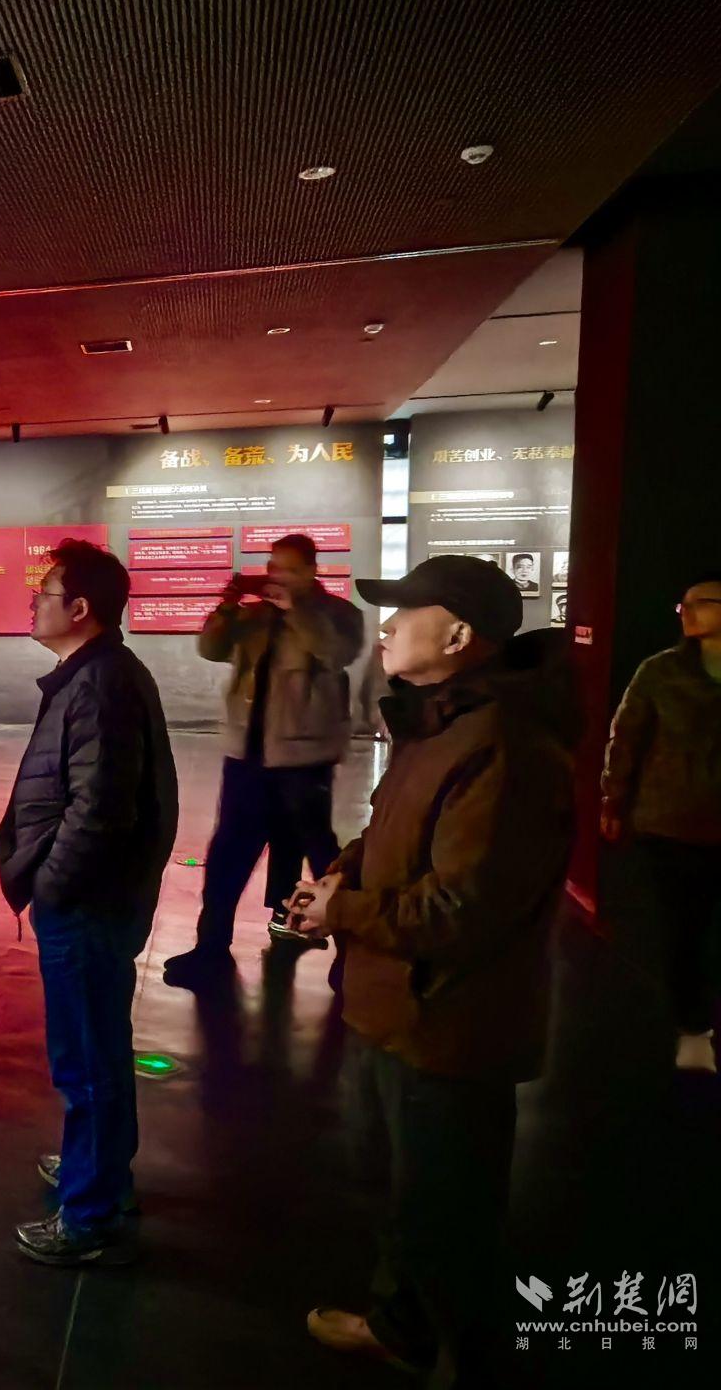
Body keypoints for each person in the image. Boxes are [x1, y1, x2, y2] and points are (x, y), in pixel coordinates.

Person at [285, 556, 576, 1385]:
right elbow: (397, 836)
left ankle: (442, 1350)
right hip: (400, 1009)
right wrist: (345, 872)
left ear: (457, 636)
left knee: (443, 1210)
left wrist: (344, 912)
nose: (385, 627)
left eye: (405, 612)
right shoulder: (443, 723)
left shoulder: (504, 747)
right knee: (407, 1198)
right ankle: (401, 1324)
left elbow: (461, 912)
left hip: (447, 1024)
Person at [0, 540, 178, 1267]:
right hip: (93, 898)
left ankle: (91, 1210)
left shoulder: (100, 684)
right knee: (93, 1046)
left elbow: (99, 809)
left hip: (87, 903)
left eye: (44, 593)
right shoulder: (96, 674)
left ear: (79, 608)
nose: (32, 603)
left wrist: (52, 883)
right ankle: (99, 1172)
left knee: (87, 1056)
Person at [163, 534, 364, 984]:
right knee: (228, 854)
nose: (279, 577)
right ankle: (210, 949)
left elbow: (337, 653)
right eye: (274, 568)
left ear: (311, 571)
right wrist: (228, 606)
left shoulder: (338, 614)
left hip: (304, 758)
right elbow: (211, 650)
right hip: (247, 757)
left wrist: (296, 609)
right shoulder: (255, 615)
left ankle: (355, 960)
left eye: (290, 569)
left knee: (323, 856)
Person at [600, 571, 721, 1073]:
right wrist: (613, 803)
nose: (685, 612)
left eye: (700, 603)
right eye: (682, 605)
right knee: (682, 929)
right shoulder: (661, 671)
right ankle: (692, 1028)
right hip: (672, 824)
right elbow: (625, 742)